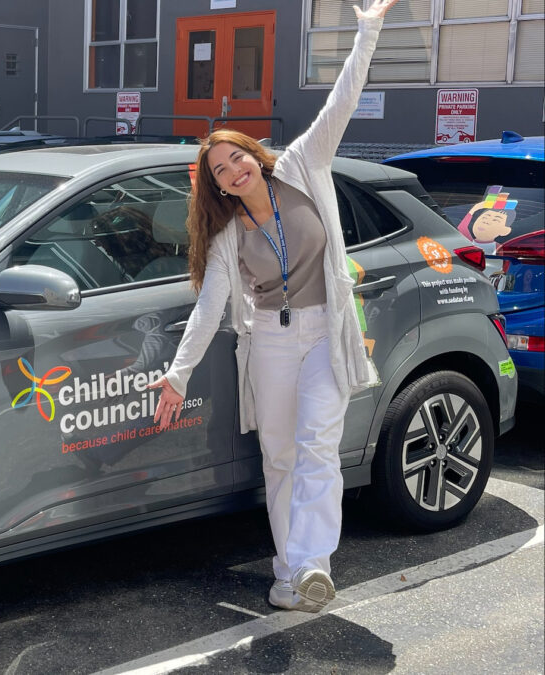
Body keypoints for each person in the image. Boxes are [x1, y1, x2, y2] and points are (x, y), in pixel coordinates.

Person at [147, 0, 399, 612]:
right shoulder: (229, 231)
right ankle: (290, 576)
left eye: (236, 157)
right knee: (280, 457)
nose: (232, 170)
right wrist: (177, 375)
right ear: (215, 185)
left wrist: (368, 30)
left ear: (252, 153)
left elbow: (341, 99)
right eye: (219, 171)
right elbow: (210, 306)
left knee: (318, 445)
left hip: (323, 333)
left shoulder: (303, 167)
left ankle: (314, 563)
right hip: (270, 342)